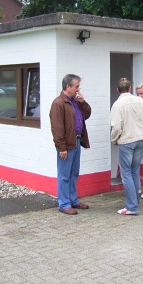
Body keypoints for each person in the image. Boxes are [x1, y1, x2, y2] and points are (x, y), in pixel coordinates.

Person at [49, 74, 92, 215]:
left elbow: (87, 114)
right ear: (68, 86)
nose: (78, 89)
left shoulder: (75, 101)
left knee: (74, 174)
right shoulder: (59, 103)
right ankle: (64, 203)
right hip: (66, 145)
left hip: (77, 141)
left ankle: (73, 200)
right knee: (64, 175)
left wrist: (82, 102)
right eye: (76, 86)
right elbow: (57, 127)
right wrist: (61, 147)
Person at [111, 78, 143, 215]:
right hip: (140, 139)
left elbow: (116, 127)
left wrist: (114, 139)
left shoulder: (117, 105)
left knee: (126, 174)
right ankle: (135, 202)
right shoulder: (140, 101)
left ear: (118, 89)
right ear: (129, 88)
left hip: (126, 141)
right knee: (135, 171)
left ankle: (132, 206)